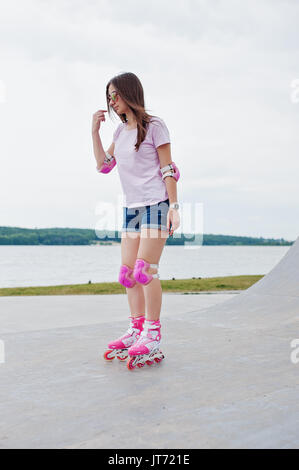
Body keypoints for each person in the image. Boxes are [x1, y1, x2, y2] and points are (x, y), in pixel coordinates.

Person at [91, 72, 180, 370]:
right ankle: (136, 329)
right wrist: (95, 133)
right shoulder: (119, 133)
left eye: (116, 95)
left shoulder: (155, 126)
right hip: (132, 210)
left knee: (145, 271)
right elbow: (104, 167)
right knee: (127, 274)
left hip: (157, 205)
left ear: (130, 92)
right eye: (109, 97)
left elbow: (168, 168)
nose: (112, 101)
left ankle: (152, 334)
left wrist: (174, 207)